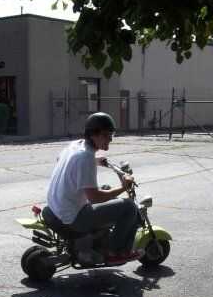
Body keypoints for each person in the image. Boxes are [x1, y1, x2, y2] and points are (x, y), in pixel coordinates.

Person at [46, 112, 142, 264]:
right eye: (105, 135)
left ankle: (98, 241)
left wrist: (96, 161)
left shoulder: (75, 145)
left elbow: (61, 159)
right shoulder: (86, 158)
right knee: (129, 207)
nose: (110, 139)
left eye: (111, 135)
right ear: (92, 134)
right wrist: (123, 187)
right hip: (73, 217)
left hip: (55, 207)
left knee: (106, 188)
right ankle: (115, 252)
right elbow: (95, 198)